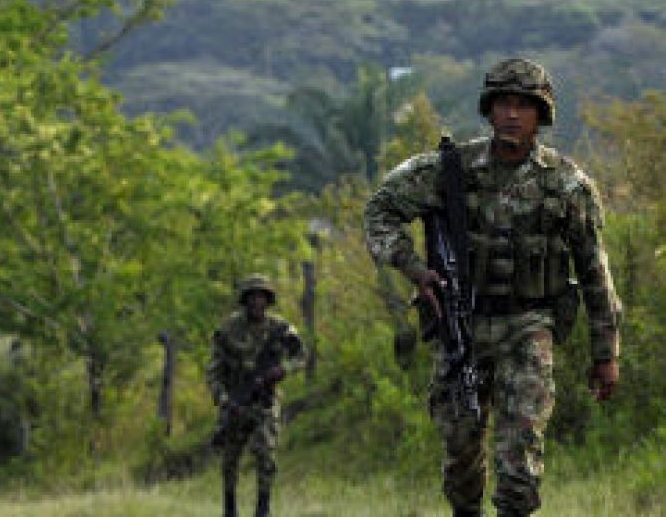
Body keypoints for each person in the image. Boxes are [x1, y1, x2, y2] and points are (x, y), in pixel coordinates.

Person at [364, 58, 621, 517]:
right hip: (462, 324)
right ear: (489, 108)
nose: (513, 114)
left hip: (530, 324)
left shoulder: (567, 184)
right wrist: (415, 269)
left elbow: (594, 269)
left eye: (525, 105)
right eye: (504, 102)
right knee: (461, 453)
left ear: (541, 116)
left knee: (520, 459)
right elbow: (380, 211)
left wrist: (606, 352)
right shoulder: (449, 170)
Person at [207, 274, 304, 517]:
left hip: (265, 401)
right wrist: (224, 400)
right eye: (252, 297)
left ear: (268, 300)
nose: (256, 302)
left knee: (266, 453)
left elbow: (301, 356)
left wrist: (284, 370)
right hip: (236, 401)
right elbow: (214, 372)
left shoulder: (280, 328)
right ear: (245, 300)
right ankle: (230, 508)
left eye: (261, 296)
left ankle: (263, 508)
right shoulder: (228, 330)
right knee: (230, 459)